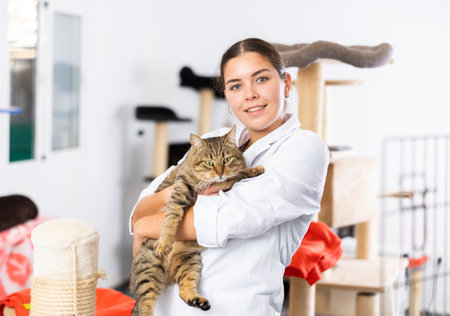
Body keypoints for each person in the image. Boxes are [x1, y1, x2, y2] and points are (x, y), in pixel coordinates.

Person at [129, 38, 330, 316]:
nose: (249, 94)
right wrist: (162, 204)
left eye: (260, 79)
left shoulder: (306, 148)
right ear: (228, 95)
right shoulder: (212, 140)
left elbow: (225, 218)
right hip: (164, 306)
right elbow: (138, 212)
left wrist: (148, 225)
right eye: (236, 85)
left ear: (286, 83)